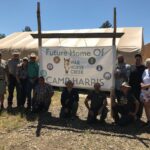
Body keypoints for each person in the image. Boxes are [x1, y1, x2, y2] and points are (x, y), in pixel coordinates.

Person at [129, 54, 146, 119]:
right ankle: (133, 116)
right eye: (136, 59)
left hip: (141, 89)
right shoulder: (132, 67)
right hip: (132, 88)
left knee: (140, 103)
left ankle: (138, 117)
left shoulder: (144, 68)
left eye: (138, 59)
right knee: (133, 103)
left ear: (141, 60)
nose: (137, 60)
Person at [140, 58, 150, 126]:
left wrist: (146, 85)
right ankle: (149, 120)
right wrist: (142, 85)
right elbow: (142, 80)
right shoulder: (145, 71)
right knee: (146, 106)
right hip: (145, 92)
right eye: (148, 63)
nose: (149, 65)